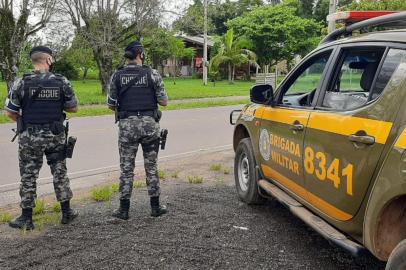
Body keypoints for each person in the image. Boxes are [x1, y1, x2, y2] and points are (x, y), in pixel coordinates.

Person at [5, 46, 79, 230]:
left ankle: (26, 218)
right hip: (55, 135)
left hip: (29, 137)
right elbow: (73, 108)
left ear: (33, 61)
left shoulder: (21, 82)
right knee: (60, 172)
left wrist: (26, 122)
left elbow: (10, 112)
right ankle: (67, 212)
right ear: (49, 60)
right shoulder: (62, 81)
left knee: (28, 175)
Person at [108, 41, 168, 220]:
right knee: (151, 167)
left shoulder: (117, 76)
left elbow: (111, 104)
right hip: (150, 126)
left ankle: (124, 210)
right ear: (141, 54)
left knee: (126, 168)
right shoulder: (153, 74)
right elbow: (163, 101)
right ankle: (155, 207)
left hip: (127, 127)